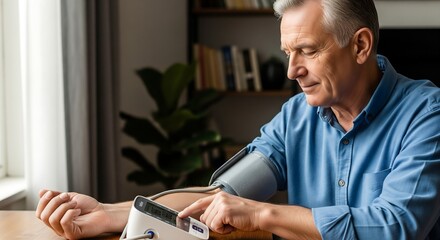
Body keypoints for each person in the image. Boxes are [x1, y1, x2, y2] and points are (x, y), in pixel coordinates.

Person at [36, 0, 440, 239]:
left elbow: (396, 225)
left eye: (308, 51)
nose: (291, 71)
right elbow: (221, 195)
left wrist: (262, 214)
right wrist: (114, 212)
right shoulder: (297, 116)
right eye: (288, 54)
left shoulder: (427, 112)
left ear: (361, 45)